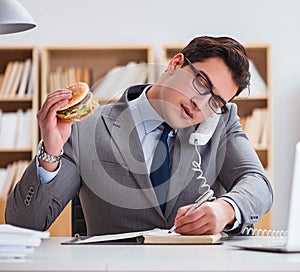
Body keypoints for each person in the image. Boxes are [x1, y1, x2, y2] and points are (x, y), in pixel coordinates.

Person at [5, 36, 273, 236]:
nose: (201, 105)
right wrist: (50, 153)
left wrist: (227, 209)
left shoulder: (221, 123)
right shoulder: (87, 127)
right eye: (202, 83)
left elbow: (257, 183)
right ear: (176, 63)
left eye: (215, 101)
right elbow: (23, 225)